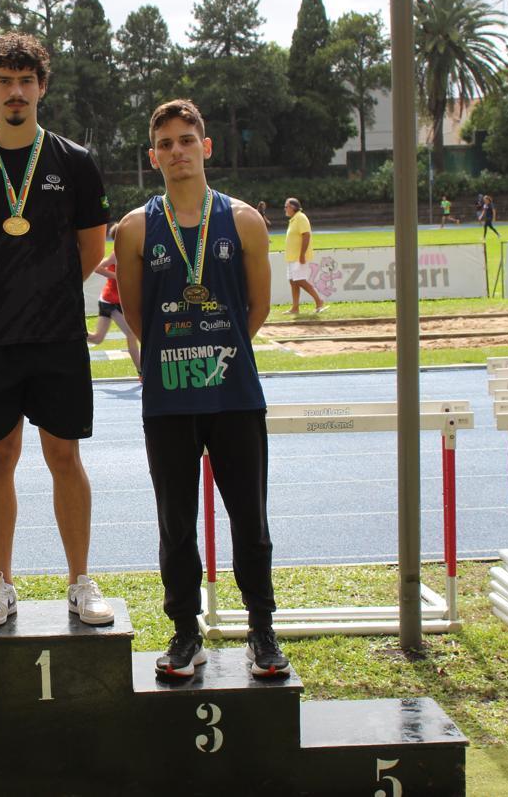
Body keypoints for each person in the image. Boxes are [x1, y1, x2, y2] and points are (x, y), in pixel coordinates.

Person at [0, 32, 114, 628]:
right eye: (4, 81)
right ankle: (1, 583)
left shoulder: (75, 162)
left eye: (26, 80)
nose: (16, 91)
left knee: (65, 454)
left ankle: (81, 581)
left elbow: (91, 248)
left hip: (59, 333)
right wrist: (5, 294)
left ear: (42, 87)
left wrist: (46, 290)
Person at [115, 98, 290, 682]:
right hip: (169, 400)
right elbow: (137, 316)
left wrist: (218, 351)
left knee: (250, 518)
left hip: (234, 394)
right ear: (152, 156)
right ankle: (185, 632)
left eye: (186, 140)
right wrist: (181, 355)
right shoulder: (136, 228)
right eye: (164, 144)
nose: (176, 152)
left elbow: (258, 307)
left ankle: (261, 630)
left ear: (205, 147)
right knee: (176, 522)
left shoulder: (242, 220)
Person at [87, 223, 142, 379]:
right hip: (110, 302)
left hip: (117, 301)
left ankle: (75, 330)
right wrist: (117, 277)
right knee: (131, 332)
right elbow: (98, 268)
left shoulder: (133, 253)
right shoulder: (117, 254)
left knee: (97, 339)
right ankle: (141, 372)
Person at [283, 198, 327, 315]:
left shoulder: (301, 218)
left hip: (298, 257)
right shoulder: (293, 219)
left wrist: (302, 254)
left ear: (292, 207)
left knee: (300, 281)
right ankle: (295, 308)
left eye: (286, 207)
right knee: (293, 281)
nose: (285, 209)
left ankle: (319, 301)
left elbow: (306, 235)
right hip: (292, 257)